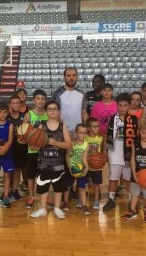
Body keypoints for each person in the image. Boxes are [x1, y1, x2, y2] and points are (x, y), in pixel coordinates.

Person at [30, 101, 71, 219]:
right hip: (43, 164)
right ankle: (43, 209)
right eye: (50, 109)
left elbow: (68, 144)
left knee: (58, 188)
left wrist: (56, 143)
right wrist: (34, 145)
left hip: (58, 164)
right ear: (46, 111)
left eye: (55, 109)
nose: (52, 111)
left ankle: (57, 208)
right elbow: (34, 142)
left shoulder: (62, 127)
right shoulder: (41, 126)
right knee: (43, 188)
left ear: (58, 111)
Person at [52, 67, 88, 203]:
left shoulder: (81, 93)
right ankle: (62, 193)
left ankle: (75, 191)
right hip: (63, 134)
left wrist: (86, 131)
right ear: (64, 77)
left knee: (78, 163)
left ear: (77, 77)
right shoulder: (58, 93)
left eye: (74, 75)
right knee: (63, 165)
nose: (71, 78)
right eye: (68, 75)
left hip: (79, 135)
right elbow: (55, 115)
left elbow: (84, 113)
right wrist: (66, 132)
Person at [103, 93, 138, 212]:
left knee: (128, 179)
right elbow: (107, 134)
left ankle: (130, 201)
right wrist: (104, 150)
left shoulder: (133, 119)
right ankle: (111, 200)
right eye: (120, 105)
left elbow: (137, 137)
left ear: (129, 106)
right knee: (113, 178)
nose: (122, 108)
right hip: (114, 153)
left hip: (128, 154)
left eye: (125, 105)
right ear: (116, 105)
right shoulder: (113, 118)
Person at [123, 119, 146, 224]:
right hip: (137, 174)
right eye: (143, 133)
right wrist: (133, 173)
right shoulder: (136, 142)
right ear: (139, 132)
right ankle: (132, 210)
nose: (145, 136)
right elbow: (133, 158)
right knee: (134, 193)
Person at [23, 89, 48, 209]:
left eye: (42, 98)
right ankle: (31, 197)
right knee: (31, 175)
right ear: (33, 100)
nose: (40, 101)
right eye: (38, 98)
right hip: (31, 149)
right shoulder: (29, 115)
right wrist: (28, 141)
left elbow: (51, 131)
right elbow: (23, 132)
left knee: (44, 174)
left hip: (44, 150)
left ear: (45, 101)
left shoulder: (48, 114)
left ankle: (45, 196)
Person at [66, 123, 91, 215]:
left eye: (84, 133)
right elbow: (68, 156)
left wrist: (86, 167)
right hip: (72, 167)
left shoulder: (86, 145)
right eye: (80, 133)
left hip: (80, 169)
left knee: (82, 187)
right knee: (68, 186)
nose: (82, 135)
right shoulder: (71, 143)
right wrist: (69, 167)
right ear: (76, 133)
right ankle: (65, 202)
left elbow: (84, 158)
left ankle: (84, 206)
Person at [8, 94, 27, 200]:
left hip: (20, 145)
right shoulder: (6, 116)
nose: (15, 105)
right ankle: (8, 189)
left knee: (17, 169)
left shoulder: (24, 117)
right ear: (10, 104)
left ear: (20, 104)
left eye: (17, 103)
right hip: (9, 144)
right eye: (13, 103)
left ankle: (15, 189)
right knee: (8, 168)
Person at [85, 118, 105, 210]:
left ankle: (96, 200)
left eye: (98, 126)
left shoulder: (100, 137)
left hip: (96, 166)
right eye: (94, 126)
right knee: (83, 183)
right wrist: (86, 157)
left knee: (96, 184)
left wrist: (101, 159)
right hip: (86, 165)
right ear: (88, 128)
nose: (97, 128)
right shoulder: (85, 138)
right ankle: (82, 199)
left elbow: (101, 151)